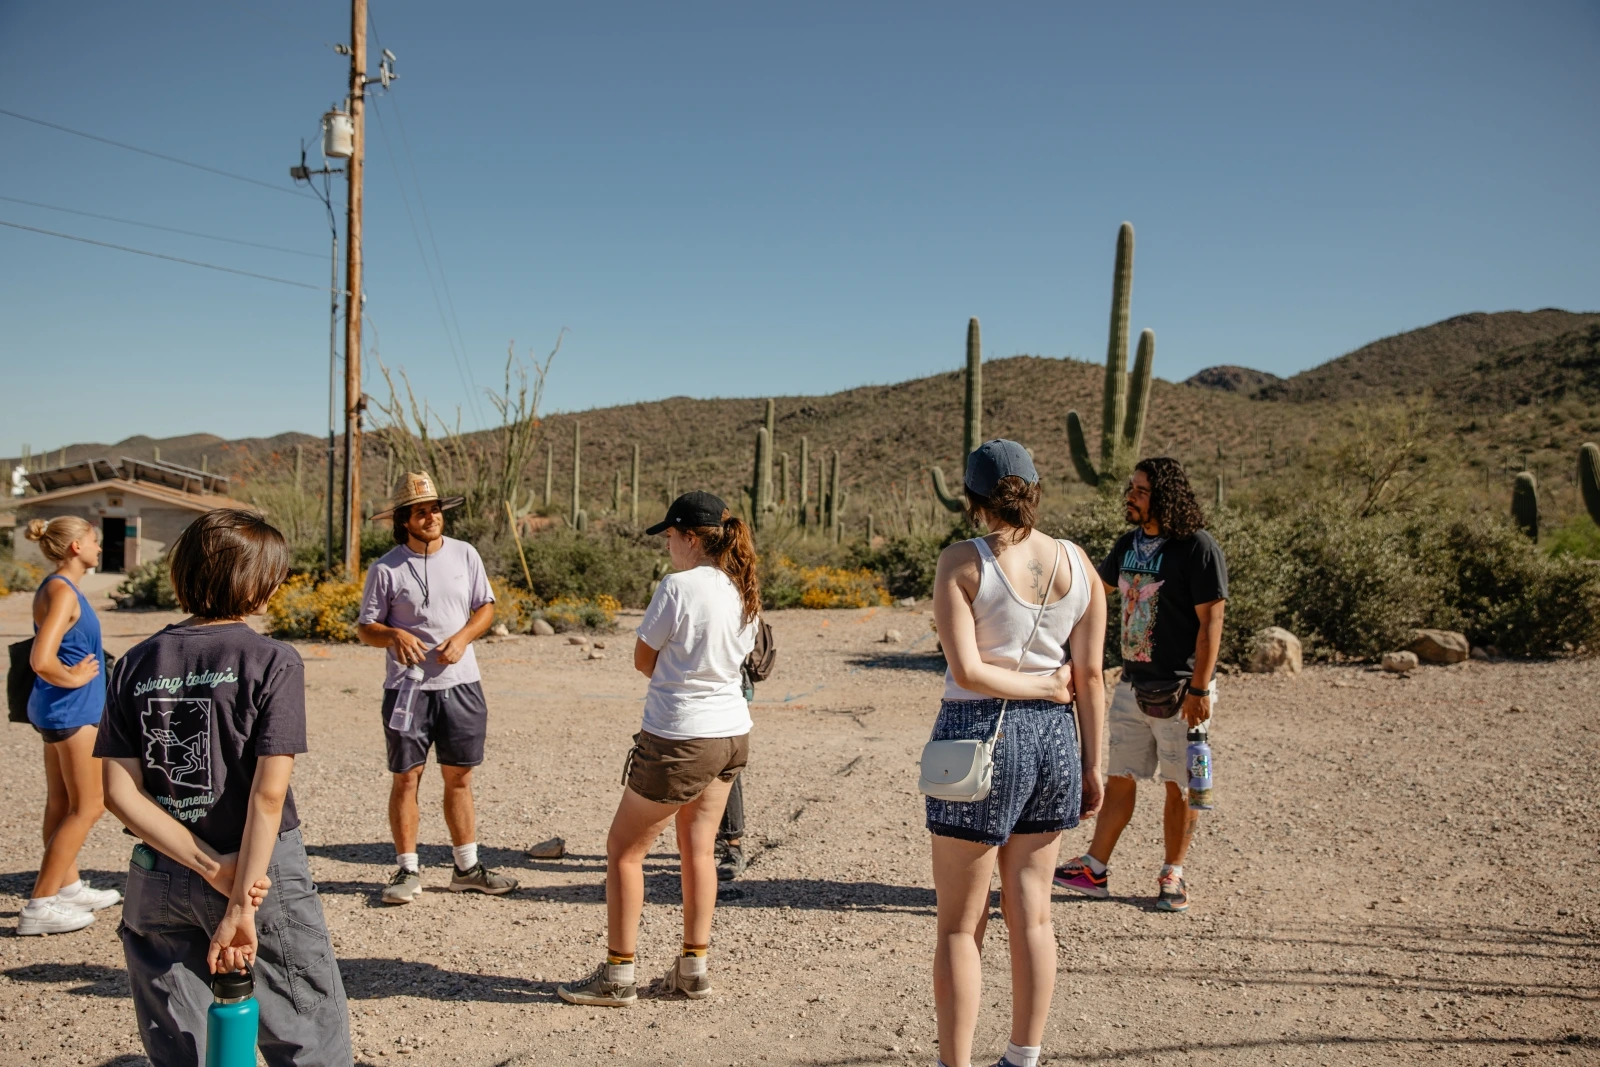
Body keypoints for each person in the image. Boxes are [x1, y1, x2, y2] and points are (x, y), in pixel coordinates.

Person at [98, 508, 353, 1067]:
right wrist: (237, 896)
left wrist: (206, 864)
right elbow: (266, 795)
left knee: (177, 1041)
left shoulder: (134, 663)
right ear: (254, 579)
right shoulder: (272, 660)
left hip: (161, 870)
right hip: (260, 873)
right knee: (305, 1030)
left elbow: (119, 793)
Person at [925, 440, 1106, 1067]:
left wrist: (1033, 685)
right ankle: (1022, 1057)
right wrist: (1092, 763)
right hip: (1058, 738)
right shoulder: (1080, 564)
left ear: (972, 499)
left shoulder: (961, 562)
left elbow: (968, 671)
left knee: (959, 925)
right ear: (1034, 487)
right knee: (1033, 916)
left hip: (977, 738)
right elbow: (1090, 675)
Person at [558, 491, 758, 1007]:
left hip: (679, 737)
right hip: (731, 732)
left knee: (624, 850)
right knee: (699, 849)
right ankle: (693, 968)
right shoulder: (743, 587)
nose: (668, 545)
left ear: (691, 538)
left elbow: (643, 659)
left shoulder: (678, 586)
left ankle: (617, 975)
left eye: (670, 536)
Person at [1054, 456, 1227, 913]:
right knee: (1120, 779)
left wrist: (1201, 689)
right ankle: (1095, 867)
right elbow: (1095, 592)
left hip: (1181, 691)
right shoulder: (1127, 545)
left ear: (1164, 497)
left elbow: (1212, 622)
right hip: (1132, 686)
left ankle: (1174, 873)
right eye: (1131, 488)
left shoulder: (1196, 548)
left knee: (1182, 784)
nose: (1130, 496)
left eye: (1141, 490)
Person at [357, 471, 517, 903]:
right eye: (420, 512)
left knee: (459, 777)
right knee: (407, 778)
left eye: (434, 510)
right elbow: (366, 628)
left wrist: (463, 638)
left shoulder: (466, 555)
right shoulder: (385, 568)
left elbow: (485, 606)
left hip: (461, 685)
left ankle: (466, 868)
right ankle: (407, 871)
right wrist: (393, 636)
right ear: (404, 520)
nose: (431, 517)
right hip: (406, 690)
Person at [18, 517, 121, 935]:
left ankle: (67, 885)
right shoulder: (62, 590)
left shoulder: (57, 587)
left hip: (59, 710)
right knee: (90, 805)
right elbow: (41, 659)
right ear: (76, 546)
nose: (99, 547)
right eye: (95, 541)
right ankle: (40, 904)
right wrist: (76, 678)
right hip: (71, 711)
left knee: (61, 803)